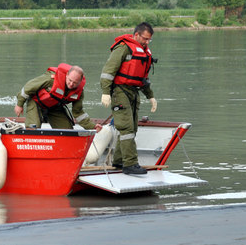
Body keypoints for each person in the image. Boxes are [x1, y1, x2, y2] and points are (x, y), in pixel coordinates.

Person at [100, 22, 157, 175]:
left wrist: (150, 96)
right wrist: (106, 92)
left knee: (132, 128)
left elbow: (143, 79)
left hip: (133, 92)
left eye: (149, 40)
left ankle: (119, 161)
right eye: (145, 39)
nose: (146, 42)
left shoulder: (144, 52)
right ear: (136, 34)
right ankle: (130, 164)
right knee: (126, 128)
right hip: (119, 91)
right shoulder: (123, 47)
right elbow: (107, 72)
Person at [15, 63, 97, 130]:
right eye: (70, 80)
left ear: (80, 82)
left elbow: (78, 113)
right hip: (36, 103)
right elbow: (27, 88)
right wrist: (19, 104)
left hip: (54, 107)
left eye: (75, 83)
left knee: (67, 131)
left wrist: (92, 126)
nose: (71, 84)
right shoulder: (51, 79)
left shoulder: (78, 92)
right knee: (33, 128)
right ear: (67, 75)